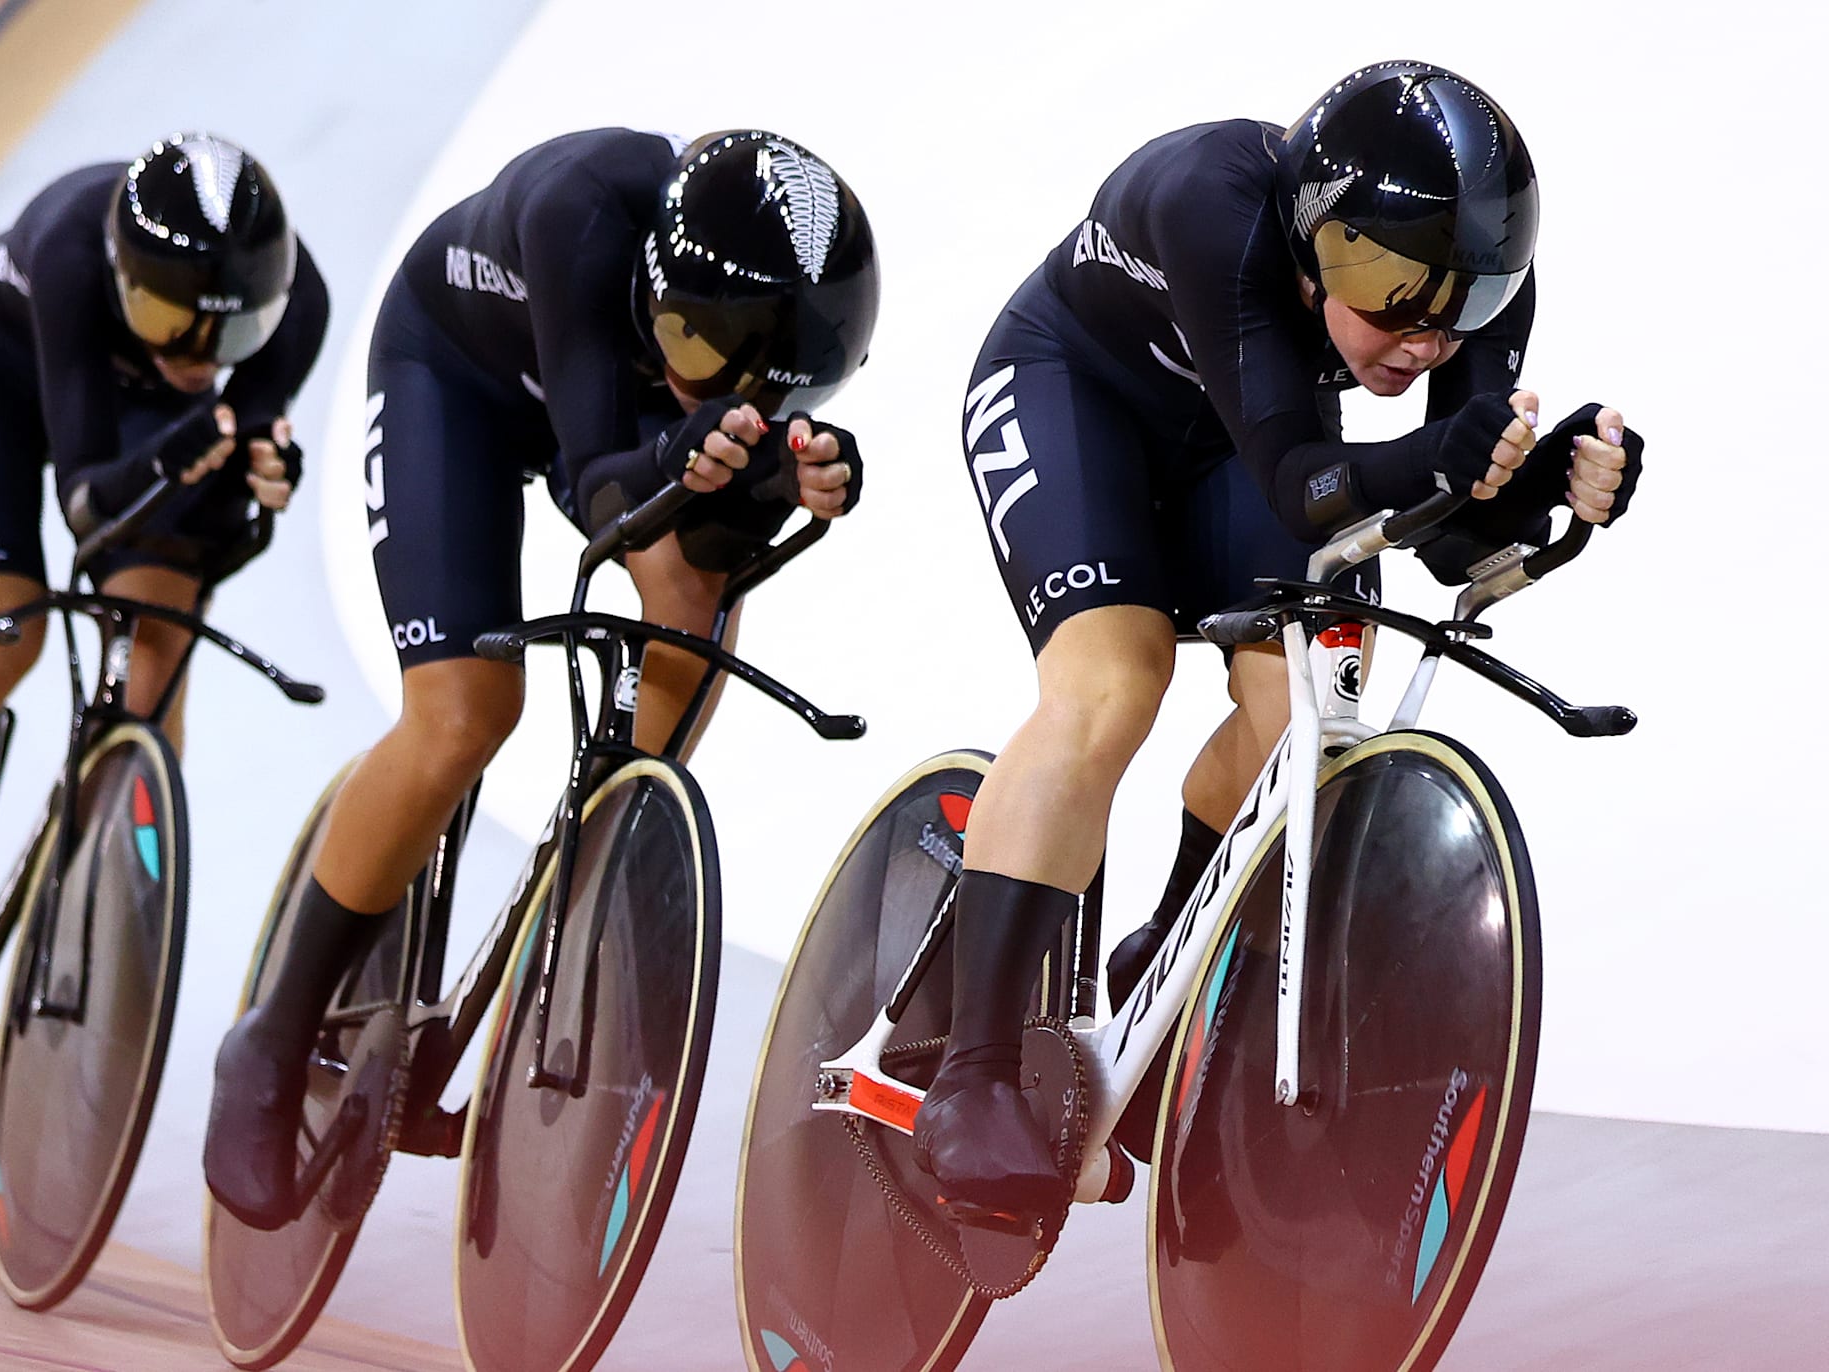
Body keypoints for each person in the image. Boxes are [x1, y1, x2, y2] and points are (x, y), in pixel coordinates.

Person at [918, 61, 1645, 1221]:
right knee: (1114, 683)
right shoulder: (1214, 202)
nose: (1425, 335)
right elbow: (1313, 487)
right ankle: (975, 1070)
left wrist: (1545, 480)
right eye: (1390, 288)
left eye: (1466, 301)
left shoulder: (1469, 287)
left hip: (1232, 441)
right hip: (1076, 393)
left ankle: (1164, 957)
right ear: (1315, 246)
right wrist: (1449, 462)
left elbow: (1451, 539)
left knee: (1314, 695)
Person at [205, 127, 881, 1229]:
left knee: (695, 592)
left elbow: (704, 532)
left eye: (757, 377)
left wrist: (799, 473)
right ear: (659, 289)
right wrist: (687, 451)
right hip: (455, 378)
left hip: (614, 416)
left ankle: (605, 842)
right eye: (701, 350)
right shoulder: (583, 207)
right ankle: (270, 1038)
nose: (721, 382)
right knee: (465, 712)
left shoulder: (719, 340)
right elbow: (602, 489)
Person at [0, 133, 329, 1004]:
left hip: (144, 428)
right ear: (122, 278)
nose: (198, 352)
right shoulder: (72, 248)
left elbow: (236, 473)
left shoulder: (299, 304)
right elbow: (89, 504)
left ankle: (107, 915)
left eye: (229, 331)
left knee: (154, 670)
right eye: (168, 321)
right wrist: (193, 446)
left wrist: (262, 468)